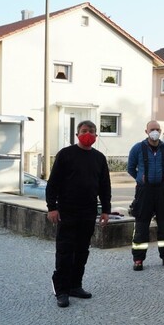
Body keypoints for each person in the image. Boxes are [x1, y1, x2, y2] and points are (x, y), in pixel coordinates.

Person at [46, 120, 111, 308]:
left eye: (91, 131)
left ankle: (76, 285)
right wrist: (52, 207)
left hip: (88, 211)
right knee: (65, 251)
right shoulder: (65, 155)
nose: (87, 134)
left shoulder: (99, 158)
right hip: (67, 210)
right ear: (77, 134)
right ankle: (62, 290)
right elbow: (53, 183)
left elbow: (105, 186)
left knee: (82, 251)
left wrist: (106, 209)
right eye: (84, 131)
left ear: (96, 136)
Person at [127, 120, 164, 271]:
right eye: (152, 129)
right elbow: (130, 168)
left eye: (157, 129)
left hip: (162, 190)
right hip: (144, 192)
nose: (155, 132)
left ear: (160, 131)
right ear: (146, 131)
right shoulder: (137, 148)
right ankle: (138, 259)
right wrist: (140, 178)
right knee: (141, 225)